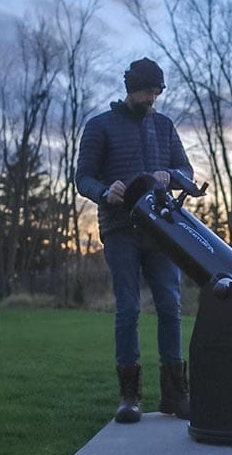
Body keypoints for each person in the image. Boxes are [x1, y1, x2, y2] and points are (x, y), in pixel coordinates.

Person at [75, 57, 193, 423]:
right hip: (120, 229)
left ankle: (174, 395)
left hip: (162, 231)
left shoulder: (165, 126)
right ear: (131, 89)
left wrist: (170, 174)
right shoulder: (100, 127)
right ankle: (130, 397)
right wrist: (104, 191)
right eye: (146, 91)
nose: (151, 99)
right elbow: (83, 178)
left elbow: (186, 172)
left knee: (170, 306)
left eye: (156, 92)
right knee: (128, 308)